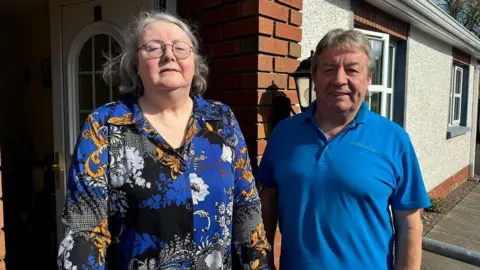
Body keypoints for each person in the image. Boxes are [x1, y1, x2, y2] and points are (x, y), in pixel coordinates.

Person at [57, 11, 270, 270]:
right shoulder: (104, 125)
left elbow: (247, 210)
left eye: (180, 47)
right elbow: (84, 232)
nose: (169, 55)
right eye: (153, 47)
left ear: (194, 62)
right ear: (134, 63)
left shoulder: (222, 120)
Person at [257, 28, 431, 270]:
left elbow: (410, 225)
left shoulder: (395, 139)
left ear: (368, 80)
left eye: (352, 70)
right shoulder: (284, 134)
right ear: (315, 77)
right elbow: (267, 206)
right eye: (329, 69)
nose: (339, 79)